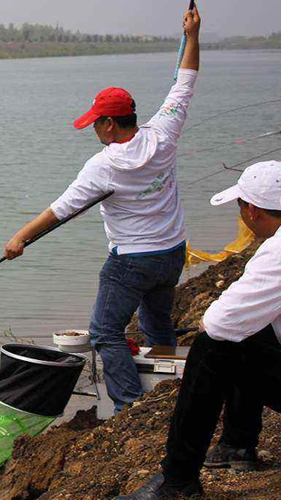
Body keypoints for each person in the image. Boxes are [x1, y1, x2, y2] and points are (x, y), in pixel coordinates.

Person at [4, 7, 201, 414]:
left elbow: (60, 210)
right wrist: (193, 36)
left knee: (105, 332)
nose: (94, 129)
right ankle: (167, 384)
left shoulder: (103, 165)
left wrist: (20, 238)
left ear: (111, 125)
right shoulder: (164, 133)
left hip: (130, 261)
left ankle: (130, 404)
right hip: (171, 253)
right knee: (157, 323)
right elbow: (185, 83)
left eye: (96, 123)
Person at [116, 161, 281, 499]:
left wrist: (210, 321)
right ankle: (238, 443)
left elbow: (219, 323)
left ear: (251, 210)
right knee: (248, 328)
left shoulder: (277, 251)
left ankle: (177, 481)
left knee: (214, 347)